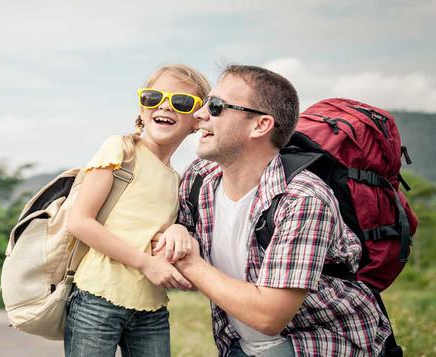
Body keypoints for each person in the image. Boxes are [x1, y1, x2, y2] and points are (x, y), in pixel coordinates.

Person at [165, 65, 391, 356]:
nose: (200, 114)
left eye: (217, 106)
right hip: (242, 344)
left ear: (260, 125)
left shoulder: (303, 199)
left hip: (319, 345)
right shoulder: (201, 177)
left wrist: (190, 264)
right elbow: (178, 227)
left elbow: (268, 316)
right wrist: (176, 229)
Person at [64, 64, 211, 357]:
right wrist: (145, 263)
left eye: (181, 102)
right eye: (153, 97)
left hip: (151, 306)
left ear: (197, 120)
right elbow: (79, 221)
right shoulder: (121, 149)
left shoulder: (177, 180)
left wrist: (176, 229)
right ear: (142, 109)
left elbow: (159, 227)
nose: (165, 106)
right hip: (98, 297)